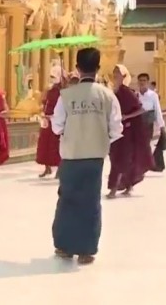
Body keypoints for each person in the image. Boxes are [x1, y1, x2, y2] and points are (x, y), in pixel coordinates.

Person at [51, 48, 124, 265]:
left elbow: (56, 126)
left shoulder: (66, 95)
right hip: (95, 156)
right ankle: (86, 249)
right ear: (98, 68)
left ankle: (64, 246)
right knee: (91, 201)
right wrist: (100, 136)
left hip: (71, 154)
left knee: (67, 199)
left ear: (77, 68)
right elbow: (116, 129)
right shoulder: (107, 95)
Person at [107, 65, 153, 198]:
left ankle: (114, 189)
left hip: (125, 132)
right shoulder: (113, 91)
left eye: (118, 73)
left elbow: (140, 109)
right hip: (115, 130)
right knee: (117, 158)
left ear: (124, 76)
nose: (115, 75)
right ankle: (128, 185)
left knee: (120, 159)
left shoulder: (126, 92)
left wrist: (126, 116)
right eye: (114, 72)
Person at [36, 65, 66, 178]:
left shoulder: (63, 90)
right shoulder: (49, 89)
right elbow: (44, 102)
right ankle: (47, 167)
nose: (52, 78)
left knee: (56, 145)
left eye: (54, 76)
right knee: (45, 143)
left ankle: (59, 169)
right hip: (47, 119)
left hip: (56, 120)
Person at [137, 73, 166, 172]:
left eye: (144, 80)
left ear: (147, 82)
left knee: (146, 144)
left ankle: (147, 164)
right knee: (139, 144)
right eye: (140, 80)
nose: (142, 82)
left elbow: (157, 110)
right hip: (138, 122)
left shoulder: (153, 95)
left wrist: (161, 125)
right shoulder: (136, 95)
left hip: (148, 122)